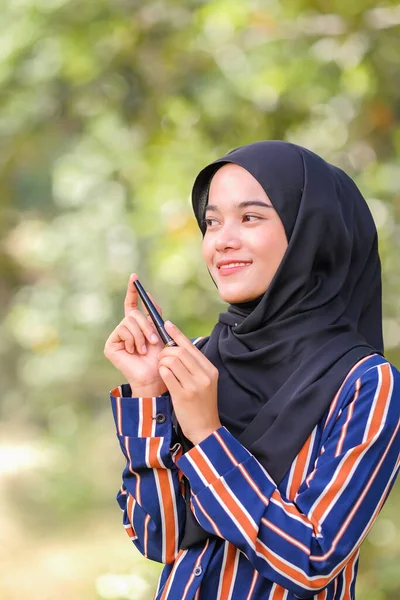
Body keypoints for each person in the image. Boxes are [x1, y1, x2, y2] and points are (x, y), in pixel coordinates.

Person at [104, 141, 400, 600]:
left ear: (309, 233)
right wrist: (148, 393)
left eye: (251, 217)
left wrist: (208, 435)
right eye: (212, 222)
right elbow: (158, 539)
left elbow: (311, 560)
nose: (222, 240)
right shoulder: (201, 362)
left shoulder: (366, 384)